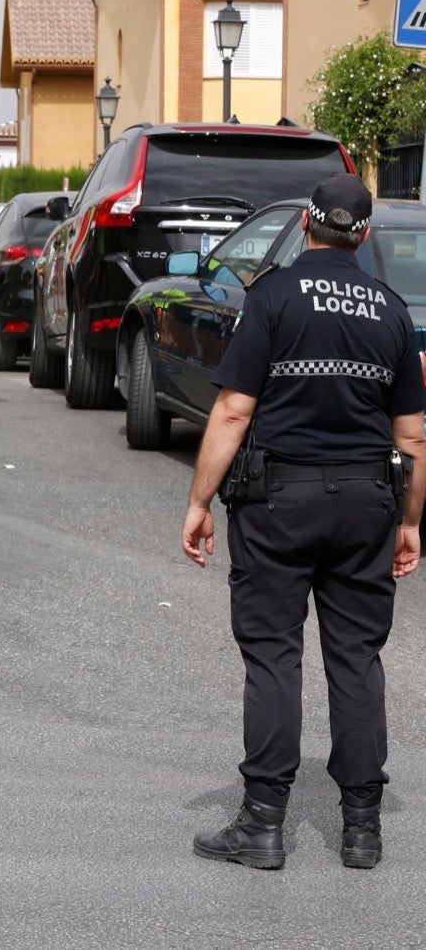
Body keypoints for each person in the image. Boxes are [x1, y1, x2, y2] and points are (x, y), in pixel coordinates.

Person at [182, 174, 426, 871]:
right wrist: (411, 523)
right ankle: (361, 831)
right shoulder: (389, 310)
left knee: (273, 655)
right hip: (366, 502)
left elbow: (233, 410)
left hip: (277, 501)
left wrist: (200, 501)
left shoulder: (273, 296)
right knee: (356, 657)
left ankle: (262, 828)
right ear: (365, 234)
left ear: (306, 228)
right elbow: (412, 436)